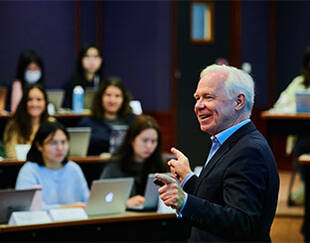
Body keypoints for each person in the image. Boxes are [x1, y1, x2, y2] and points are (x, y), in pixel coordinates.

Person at [155, 64, 279, 242]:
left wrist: (185, 202)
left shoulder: (249, 151)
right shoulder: (227, 141)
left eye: (208, 97)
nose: (198, 106)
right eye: (197, 98)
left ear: (238, 102)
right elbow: (218, 198)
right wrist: (188, 178)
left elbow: (242, 222)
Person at [15, 121, 89, 210]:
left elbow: (88, 201)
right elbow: (25, 207)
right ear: (39, 146)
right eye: (53, 143)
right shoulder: (29, 170)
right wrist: (66, 208)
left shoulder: (74, 168)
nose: (60, 148)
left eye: (63, 142)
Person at [270, 46, 310, 205]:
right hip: (304, 132)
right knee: (302, 145)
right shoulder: (299, 82)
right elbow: (281, 103)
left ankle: (304, 193)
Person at [100, 115, 167, 207]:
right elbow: (100, 201)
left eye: (153, 141)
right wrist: (124, 203)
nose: (149, 146)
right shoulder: (114, 166)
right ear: (132, 140)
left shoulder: (160, 165)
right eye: (144, 140)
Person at [78, 78, 135, 156]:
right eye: (108, 95)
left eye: (117, 96)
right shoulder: (87, 122)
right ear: (100, 97)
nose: (112, 100)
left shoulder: (132, 121)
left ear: (124, 99)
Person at [3, 84, 53, 159]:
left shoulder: (52, 124)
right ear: (24, 103)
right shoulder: (14, 125)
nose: (34, 104)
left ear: (45, 103)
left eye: (39, 100)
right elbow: (11, 155)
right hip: (18, 168)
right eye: (30, 99)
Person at [63, 44, 103, 108]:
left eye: (96, 57)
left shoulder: (104, 83)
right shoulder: (71, 84)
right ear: (81, 59)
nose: (92, 61)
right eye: (87, 56)